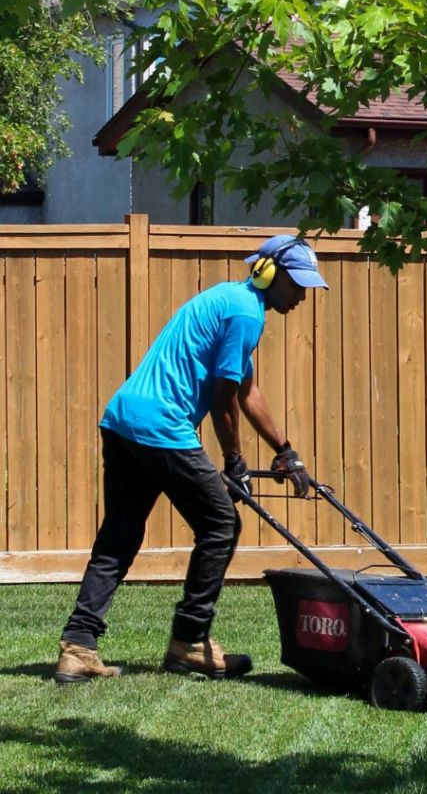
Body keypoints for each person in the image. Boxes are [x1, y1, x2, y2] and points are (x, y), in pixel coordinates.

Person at [53, 234, 327, 684]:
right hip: (163, 427)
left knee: (119, 535)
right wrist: (234, 462)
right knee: (221, 524)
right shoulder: (244, 313)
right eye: (297, 284)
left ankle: (78, 647)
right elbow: (223, 401)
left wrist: (285, 450)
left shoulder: (228, 299)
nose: (301, 295)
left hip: (123, 421)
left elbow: (246, 390)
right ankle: (190, 641)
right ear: (269, 272)